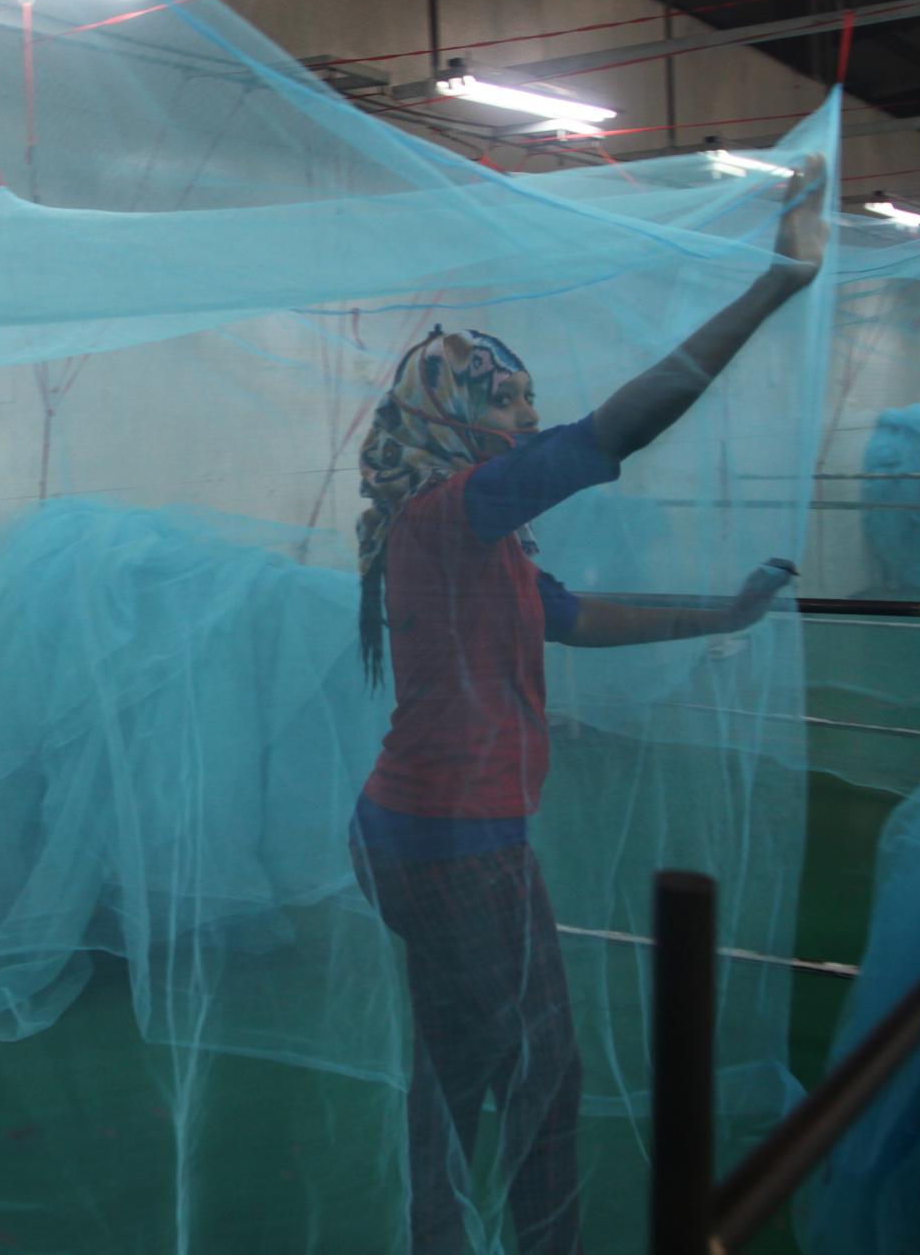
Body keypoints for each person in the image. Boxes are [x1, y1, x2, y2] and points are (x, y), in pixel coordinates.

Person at [347, 160, 829, 1255]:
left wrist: (721, 614)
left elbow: (578, 616)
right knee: (541, 1071)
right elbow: (619, 428)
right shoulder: (455, 507)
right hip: (451, 839)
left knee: (462, 1057)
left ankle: (438, 1233)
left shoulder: (462, 530)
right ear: (458, 416)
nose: (527, 413)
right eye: (508, 398)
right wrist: (775, 284)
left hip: (421, 832)